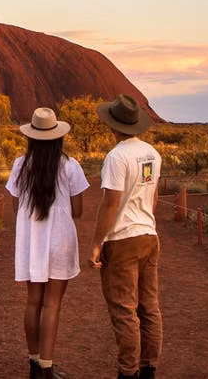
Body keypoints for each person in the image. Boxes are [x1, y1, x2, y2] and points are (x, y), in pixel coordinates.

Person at [6, 107, 89, 379]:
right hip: (60, 239)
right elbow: (77, 210)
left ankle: (33, 364)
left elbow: (17, 205)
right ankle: (47, 367)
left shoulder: (20, 165)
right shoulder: (69, 165)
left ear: (31, 137)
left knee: (33, 302)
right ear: (57, 137)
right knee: (52, 304)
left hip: (31, 239)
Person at [89, 94, 163, 379]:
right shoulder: (152, 154)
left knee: (123, 309)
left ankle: (127, 372)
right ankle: (148, 368)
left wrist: (97, 243)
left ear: (113, 125)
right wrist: (146, 220)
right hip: (149, 234)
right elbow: (153, 196)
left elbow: (111, 203)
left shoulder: (116, 157)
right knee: (149, 306)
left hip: (122, 239)